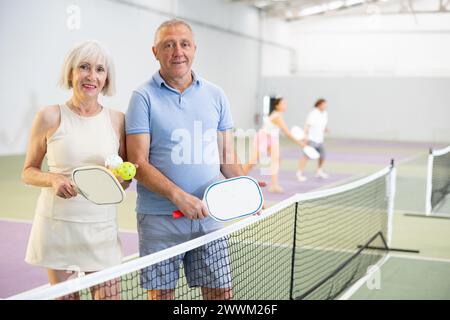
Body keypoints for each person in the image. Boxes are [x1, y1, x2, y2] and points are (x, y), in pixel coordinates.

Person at [125, 19, 256, 300]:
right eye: (168, 45)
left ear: (194, 48)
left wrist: (246, 188)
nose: (177, 51)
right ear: (155, 51)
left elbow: (226, 155)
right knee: (161, 297)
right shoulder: (142, 97)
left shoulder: (216, 95)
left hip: (209, 216)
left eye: (184, 44)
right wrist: (178, 197)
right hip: (159, 219)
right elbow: (137, 162)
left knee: (221, 294)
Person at [23, 41, 129, 299]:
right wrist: (54, 179)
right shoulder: (49, 116)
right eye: (84, 67)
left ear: (107, 78)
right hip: (58, 227)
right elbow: (28, 171)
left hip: (101, 229)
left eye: (100, 69)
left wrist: (119, 178)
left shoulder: (117, 120)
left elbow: (125, 179)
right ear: (71, 73)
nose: (92, 76)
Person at [243, 97, 304, 193]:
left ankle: (274, 185)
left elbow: (280, 131)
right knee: (252, 162)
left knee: (277, 159)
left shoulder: (278, 115)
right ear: (277, 105)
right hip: (263, 138)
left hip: (272, 139)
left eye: (285, 104)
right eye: (283, 104)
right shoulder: (277, 116)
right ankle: (238, 179)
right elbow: (287, 132)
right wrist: (300, 143)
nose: (285, 106)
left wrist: (301, 139)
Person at [296, 98, 329, 182]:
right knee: (306, 156)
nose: (325, 106)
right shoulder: (313, 114)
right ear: (319, 105)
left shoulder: (325, 113)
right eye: (324, 104)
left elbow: (322, 125)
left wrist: (325, 129)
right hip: (311, 139)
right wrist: (305, 136)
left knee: (323, 156)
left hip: (320, 139)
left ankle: (319, 171)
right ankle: (299, 173)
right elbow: (308, 125)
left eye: (326, 104)